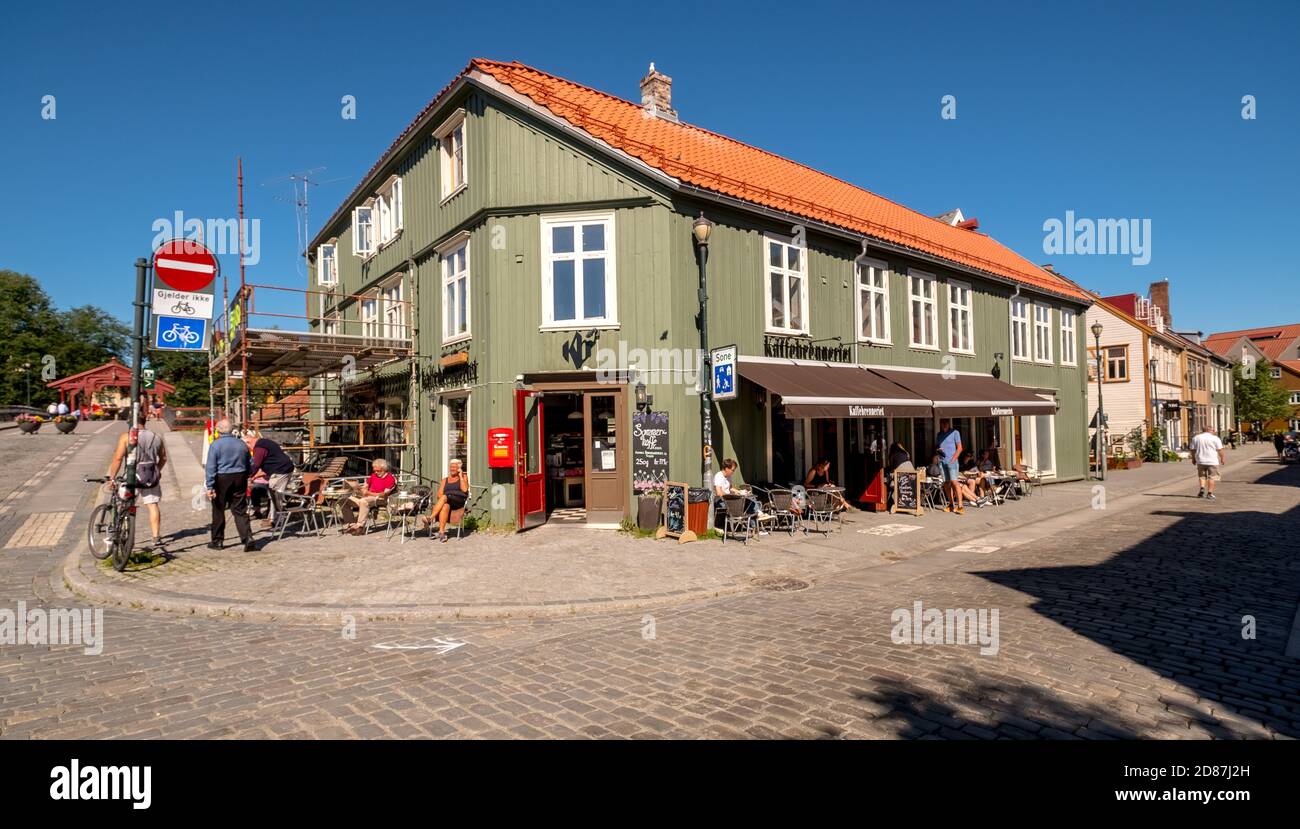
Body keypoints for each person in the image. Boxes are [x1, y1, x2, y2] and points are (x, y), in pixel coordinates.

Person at [105, 413, 168, 552]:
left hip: (133, 475)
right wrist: (157, 470)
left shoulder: (126, 436)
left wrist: (111, 478)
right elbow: (163, 458)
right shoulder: (156, 436)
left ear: (131, 422)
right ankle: (156, 537)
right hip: (151, 475)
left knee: (123, 503)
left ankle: (122, 533)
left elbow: (118, 459)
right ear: (144, 421)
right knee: (152, 505)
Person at [205, 418, 255, 551]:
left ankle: (217, 541)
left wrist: (209, 486)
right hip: (240, 476)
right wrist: (248, 475)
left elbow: (211, 467)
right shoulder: (241, 444)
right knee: (240, 509)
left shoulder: (216, 445)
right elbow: (250, 462)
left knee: (218, 509)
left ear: (219, 430)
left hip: (222, 478)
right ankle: (247, 537)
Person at [244, 431, 295, 528]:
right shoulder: (264, 443)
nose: (249, 450)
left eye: (248, 447)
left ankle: (275, 520)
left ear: (248, 442)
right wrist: (254, 476)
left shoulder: (259, 447)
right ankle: (273, 518)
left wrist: (248, 475)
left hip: (280, 471)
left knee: (275, 495)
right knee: (274, 495)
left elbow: (256, 465)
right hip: (282, 469)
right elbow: (267, 466)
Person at [340, 458, 397, 534]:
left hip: (380, 499)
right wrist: (358, 488)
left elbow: (384, 494)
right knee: (343, 500)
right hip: (366, 497)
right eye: (375, 470)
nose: (376, 472)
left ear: (384, 469)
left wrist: (368, 493)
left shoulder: (390, 478)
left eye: (378, 471)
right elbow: (365, 486)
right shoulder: (373, 476)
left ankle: (360, 526)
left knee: (364, 501)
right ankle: (351, 525)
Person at [422, 458, 469, 542]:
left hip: (458, 501)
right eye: (451, 467)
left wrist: (461, 476)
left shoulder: (464, 477)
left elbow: (465, 490)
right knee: (445, 505)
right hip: (448, 500)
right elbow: (439, 494)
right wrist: (445, 498)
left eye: (454, 467)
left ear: (459, 469)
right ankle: (442, 533)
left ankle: (431, 518)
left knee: (444, 497)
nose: (452, 469)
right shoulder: (445, 480)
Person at [935, 419, 965, 515]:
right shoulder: (939, 435)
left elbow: (960, 448)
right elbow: (937, 447)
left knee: (954, 482)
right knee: (946, 484)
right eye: (942, 423)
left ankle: (960, 506)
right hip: (942, 461)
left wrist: (953, 459)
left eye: (945, 423)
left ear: (949, 424)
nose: (944, 425)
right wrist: (938, 450)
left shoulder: (955, 432)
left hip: (952, 461)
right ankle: (951, 504)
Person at [1190, 424, 1225, 500]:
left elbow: (1192, 450)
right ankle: (1210, 493)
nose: (1214, 431)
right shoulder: (1215, 438)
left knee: (1202, 476)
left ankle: (1202, 489)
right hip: (1212, 461)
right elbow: (1220, 450)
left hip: (1200, 461)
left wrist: (1193, 458)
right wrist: (1222, 458)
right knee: (1212, 477)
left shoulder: (1196, 438)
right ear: (1210, 430)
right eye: (1213, 430)